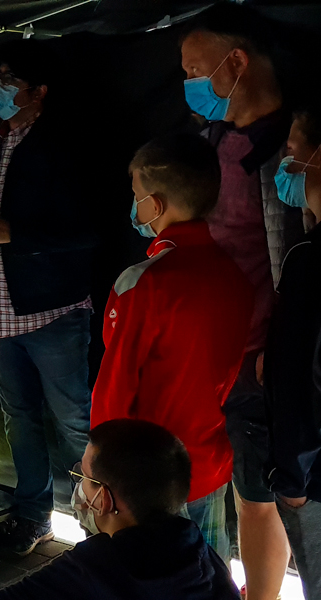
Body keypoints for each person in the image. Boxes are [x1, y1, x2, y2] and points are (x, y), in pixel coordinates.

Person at [180, 5, 308, 596]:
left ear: (237, 63)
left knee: (266, 501)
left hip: (264, 358)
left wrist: (282, 351)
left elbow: (305, 271)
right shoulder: (212, 140)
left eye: (195, 69)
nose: (188, 85)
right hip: (215, 354)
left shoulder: (298, 149)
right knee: (236, 492)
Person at [91, 133, 254, 564]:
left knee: (156, 579)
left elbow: (114, 390)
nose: (135, 206)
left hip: (148, 481)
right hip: (209, 462)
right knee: (208, 574)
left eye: (137, 197)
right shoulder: (235, 278)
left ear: (156, 205)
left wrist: (97, 473)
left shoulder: (143, 283)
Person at [0, 39, 95, 555]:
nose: (0, 88)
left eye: (10, 79)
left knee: (75, 423)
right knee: (19, 420)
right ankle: (33, 517)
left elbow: (89, 230)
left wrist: (15, 234)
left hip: (52, 310)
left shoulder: (67, 144)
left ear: (39, 91)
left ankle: (104, 524)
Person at [0, 419, 241, 600]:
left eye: (84, 477)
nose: (80, 487)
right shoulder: (200, 552)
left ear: (104, 498)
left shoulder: (92, 568)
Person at [264, 104, 321, 599]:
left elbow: (301, 382)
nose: (286, 160)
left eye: (293, 149)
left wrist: (293, 475)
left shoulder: (308, 261)